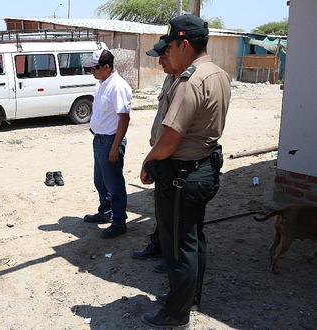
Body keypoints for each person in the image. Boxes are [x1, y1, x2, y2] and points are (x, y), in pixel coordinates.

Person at [139, 15, 231, 328]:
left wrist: (149, 160)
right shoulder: (217, 73)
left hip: (182, 175)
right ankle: (190, 298)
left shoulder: (190, 80)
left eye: (171, 46)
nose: (167, 53)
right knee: (193, 238)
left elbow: (170, 139)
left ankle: (176, 314)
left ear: (185, 44)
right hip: (203, 168)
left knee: (178, 247)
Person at [131, 37, 174, 276]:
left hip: (172, 158)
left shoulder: (186, 82)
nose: (159, 62)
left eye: (164, 56)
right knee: (162, 210)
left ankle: (172, 257)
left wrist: (150, 160)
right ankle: (159, 246)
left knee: (172, 214)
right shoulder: (171, 79)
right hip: (161, 156)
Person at [83, 49, 132, 239]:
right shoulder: (103, 83)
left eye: (94, 68)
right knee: (100, 181)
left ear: (107, 67)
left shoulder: (117, 86)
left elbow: (124, 118)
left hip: (111, 140)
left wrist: (115, 146)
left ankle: (119, 222)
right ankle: (106, 212)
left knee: (114, 183)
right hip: (100, 139)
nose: (92, 72)